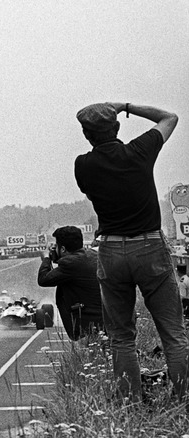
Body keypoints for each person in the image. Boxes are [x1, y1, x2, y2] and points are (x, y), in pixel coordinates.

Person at [74, 101, 187, 402]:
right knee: (173, 333)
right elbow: (169, 117)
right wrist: (127, 106)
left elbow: (89, 191)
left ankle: (130, 403)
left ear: (87, 134)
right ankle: (181, 400)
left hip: (110, 248)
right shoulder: (139, 150)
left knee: (121, 337)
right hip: (149, 244)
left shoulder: (83, 165)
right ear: (118, 127)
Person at [37, 226, 104, 340]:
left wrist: (47, 258)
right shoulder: (92, 255)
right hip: (104, 317)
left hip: (88, 323)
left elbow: (43, 279)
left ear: (62, 249)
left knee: (91, 352)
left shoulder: (70, 264)